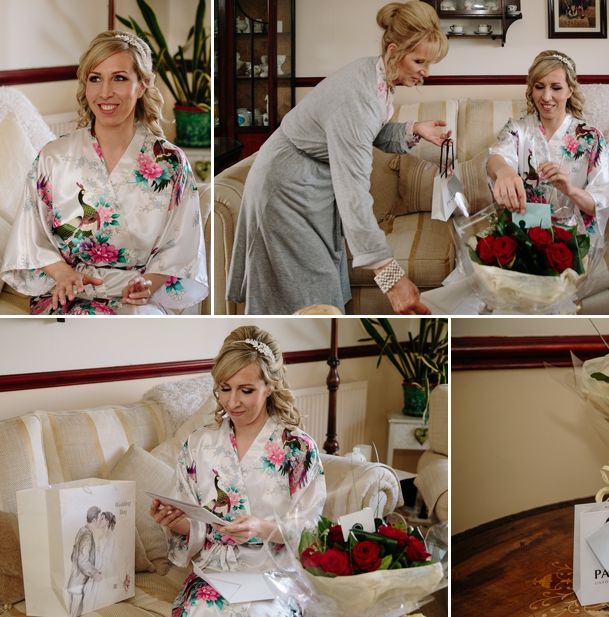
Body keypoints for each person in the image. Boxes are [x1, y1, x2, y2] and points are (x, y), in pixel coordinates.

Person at [227, 1, 451, 315]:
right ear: (393, 50)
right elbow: (354, 192)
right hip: (286, 191)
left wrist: (414, 129)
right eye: (419, 61)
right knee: (308, 297)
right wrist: (391, 277)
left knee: (322, 288)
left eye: (429, 63)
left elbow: (364, 133)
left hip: (311, 185)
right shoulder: (357, 96)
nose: (426, 72)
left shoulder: (377, 75)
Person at [0, 31, 208, 315]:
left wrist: (147, 284)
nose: (105, 92)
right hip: (68, 294)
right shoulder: (52, 158)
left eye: (119, 78)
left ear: (142, 85)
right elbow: (29, 236)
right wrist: (63, 273)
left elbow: (181, 246)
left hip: (138, 297)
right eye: (95, 78)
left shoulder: (171, 163)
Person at [151, 326, 326, 617]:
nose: (232, 402)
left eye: (246, 390)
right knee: (204, 611)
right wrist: (171, 521)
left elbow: (311, 530)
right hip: (215, 572)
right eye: (224, 389)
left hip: (275, 571)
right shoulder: (198, 445)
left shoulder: (298, 449)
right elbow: (196, 528)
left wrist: (261, 528)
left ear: (270, 386)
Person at [487, 50, 609, 239]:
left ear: (569, 90)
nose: (546, 97)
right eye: (539, 87)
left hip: (572, 237)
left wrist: (570, 190)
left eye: (556, 88)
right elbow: (495, 157)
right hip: (525, 231)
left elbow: (601, 200)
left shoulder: (591, 138)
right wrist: (504, 171)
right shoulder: (518, 129)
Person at [67, 506, 103, 617]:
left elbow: (74, 556)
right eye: (100, 518)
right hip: (78, 584)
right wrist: (95, 572)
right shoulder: (87, 536)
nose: (101, 521)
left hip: (73, 581)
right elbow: (83, 561)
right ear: (94, 520)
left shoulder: (81, 530)